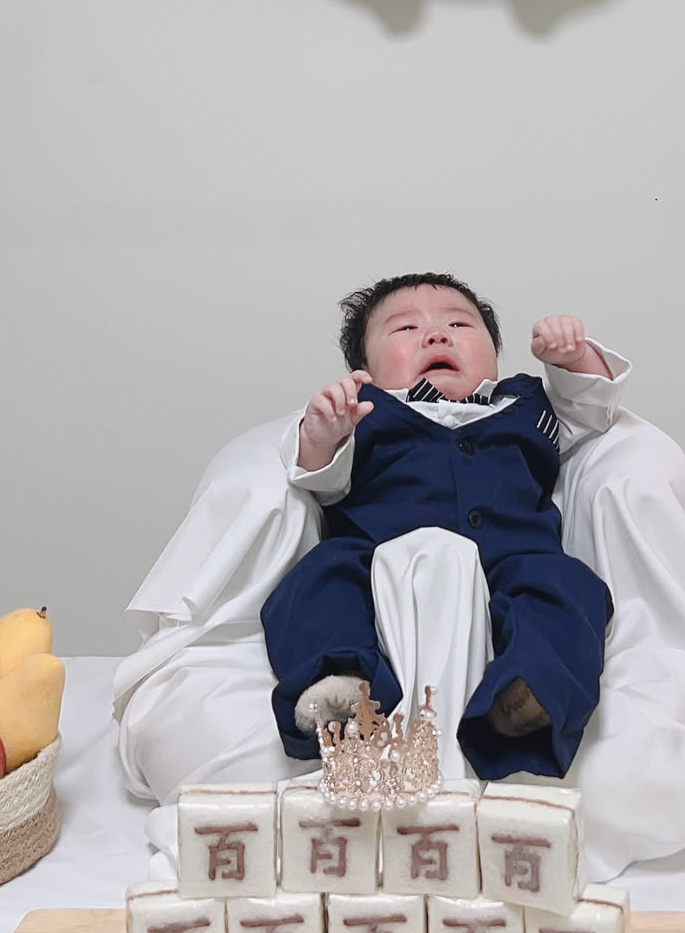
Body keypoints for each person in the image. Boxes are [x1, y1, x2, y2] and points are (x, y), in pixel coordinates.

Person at [261, 273, 626, 779]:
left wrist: (573, 357)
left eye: (459, 325)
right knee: (319, 578)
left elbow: (594, 406)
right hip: (378, 555)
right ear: (366, 371)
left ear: (494, 354)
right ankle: (344, 683)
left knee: (568, 589)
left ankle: (527, 695)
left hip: (516, 555)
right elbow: (320, 479)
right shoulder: (367, 412)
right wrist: (322, 435)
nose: (436, 335)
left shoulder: (528, 405)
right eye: (406, 329)